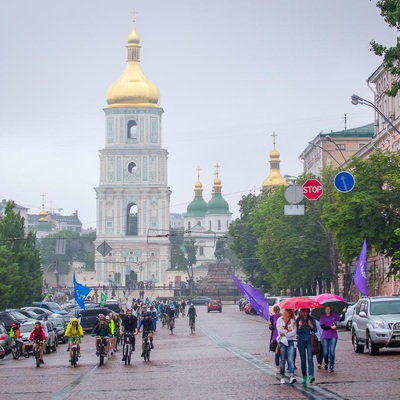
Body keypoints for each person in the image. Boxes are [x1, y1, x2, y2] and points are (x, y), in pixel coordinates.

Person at [296, 308, 317, 384]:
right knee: (303, 359)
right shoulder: (298, 320)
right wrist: (299, 326)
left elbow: (315, 330)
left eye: (306, 311)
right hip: (301, 341)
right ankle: (304, 376)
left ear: (308, 312)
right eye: (303, 311)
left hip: (309, 341)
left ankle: (311, 375)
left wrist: (311, 325)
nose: (304, 313)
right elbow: (297, 332)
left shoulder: (311, 319)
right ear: (301, 312)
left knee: (310, 358)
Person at [277, 309, 297, 384]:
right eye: (287, 310)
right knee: (282, 360)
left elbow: (294, 332)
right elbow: (279, 330)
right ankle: (282, 376)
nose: (288, 312)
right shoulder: (280, 320)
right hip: (282, 342)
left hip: (290, 341)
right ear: (284, 311)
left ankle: (292, 376)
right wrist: (287, 331)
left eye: (290, 311)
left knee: (290, 359)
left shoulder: (293, 321)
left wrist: (285, 333)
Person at [320, 304, 341, 372]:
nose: (327, 310)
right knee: (325, 352)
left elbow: (341, 319)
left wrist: (344, 312)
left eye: (328, 309)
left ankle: (331, 365)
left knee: (332, 351)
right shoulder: (322, 316)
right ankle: (326, 363)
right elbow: (322, 326)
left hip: (333, 336)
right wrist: (330, 327)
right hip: (325, 336)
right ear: (324, 310)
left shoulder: (334, 315)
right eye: (326, 309)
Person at [269, 305, 282, 374]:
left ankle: (281, 365)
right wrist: (270, 326)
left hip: (282, 337)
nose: (277, 313)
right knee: (277, 353)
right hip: (275, 336)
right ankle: (278, 367)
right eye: (275, 312)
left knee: (282, 352)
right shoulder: (272, 317)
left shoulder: (282, 317)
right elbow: (271, 328)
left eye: (278, 312)